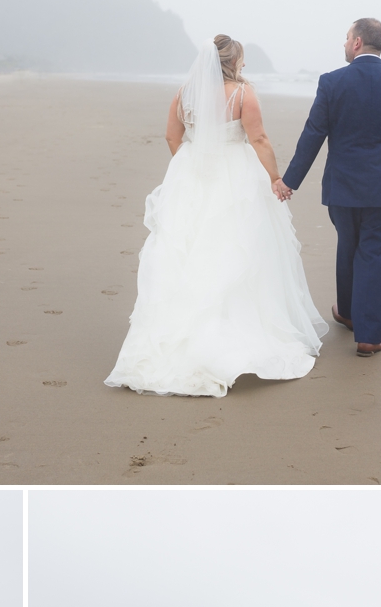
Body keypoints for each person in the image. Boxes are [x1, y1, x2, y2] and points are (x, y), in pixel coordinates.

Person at [105, 35, 327, 397]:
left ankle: (178, 338)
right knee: (235, 249)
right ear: (233, 61)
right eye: (242, 60)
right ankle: (231, 336)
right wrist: (275, 178)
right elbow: (259, 140)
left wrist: (190, 165)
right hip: (236, 176)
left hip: (192, 174)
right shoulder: (243, 94)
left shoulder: (185, 94)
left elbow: (171, 137)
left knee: (185, 250)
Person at [275, 18, 381, 356]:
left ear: (357, 42)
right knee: (374, 252)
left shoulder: (332, 82)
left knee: (349, 244)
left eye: (346, 38)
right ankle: (368, 334)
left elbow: (313, 134)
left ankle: (347, 313)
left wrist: (290, 181)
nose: (343, 44)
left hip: (343, 188)